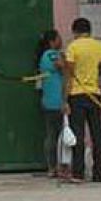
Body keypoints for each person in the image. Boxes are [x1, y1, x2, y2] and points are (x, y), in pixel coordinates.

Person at [64, 17, 101, 183]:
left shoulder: (73, 47)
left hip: (76, 94)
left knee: (78, 134)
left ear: (75, 31)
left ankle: (78, 173)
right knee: (97, 133)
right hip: (95, 94)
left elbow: (69, 75)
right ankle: (98, 173)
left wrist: (64, 100)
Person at [36, 29, 67, 178]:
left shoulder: (43, 56)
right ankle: (58, 167)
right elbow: (63, 66)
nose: (61, 41)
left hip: (48, 100)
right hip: (57, 100)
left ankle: (52, 167)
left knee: (51, 134)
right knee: (59, 136)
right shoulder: (52, 54)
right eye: (59, 38)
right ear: (52, 41)